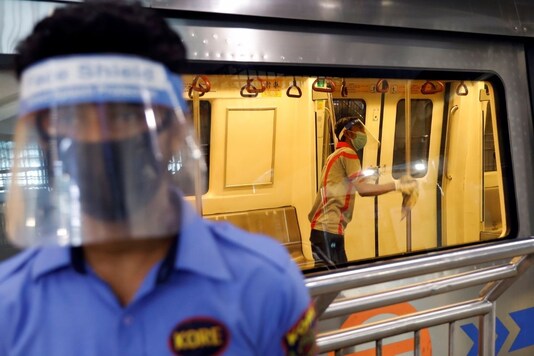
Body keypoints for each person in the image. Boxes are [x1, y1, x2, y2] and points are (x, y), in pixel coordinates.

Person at [0, 2, 317, 355]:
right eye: (70, 118)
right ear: (43, 137)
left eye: (124, 114)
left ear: (172, 130)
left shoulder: (265, 283)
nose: (97, 137)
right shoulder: (9, 306)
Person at [309, 116, 418, 266]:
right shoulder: (348, 153)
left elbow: (342, 183)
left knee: (334, 279)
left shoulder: (335, 155)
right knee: (335, 281)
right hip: (329, 230)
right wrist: (398, 185)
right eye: (359, 129)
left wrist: (369, 175)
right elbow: (363, 190)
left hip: (323, 229)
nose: (363, 134)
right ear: (347, 134)